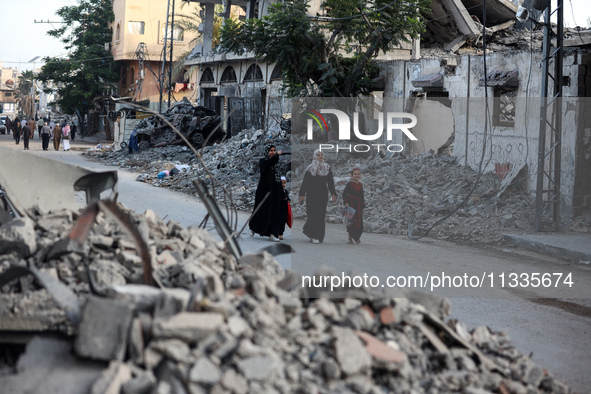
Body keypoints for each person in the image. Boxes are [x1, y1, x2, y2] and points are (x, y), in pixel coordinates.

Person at [298, 149, 337, 244]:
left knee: (321, 215)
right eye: (318, 155)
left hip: (323, 195)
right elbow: (305, 183)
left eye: (321, 155)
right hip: (312, 194)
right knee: (313, 215)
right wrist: (302, 194)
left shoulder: (327, 168)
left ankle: (318, 235)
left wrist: (333, 193)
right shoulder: (310, 168)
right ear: (315, 156)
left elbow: (330, 182)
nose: (320, 156)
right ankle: (312, 235)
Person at [248, 144, 284, 242]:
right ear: (267, 152)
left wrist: (282, 193)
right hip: (264, 190)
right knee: (260, 210)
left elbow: (279, 179)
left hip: (274, 191)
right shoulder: (263, 161)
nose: (273, 152)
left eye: (274, 150)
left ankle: (272, 234)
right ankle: (253, 228)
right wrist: (276, 156)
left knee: (274, 212)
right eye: (271, 150)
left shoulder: (277, 163)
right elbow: (268, 164)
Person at [343, 167, 365, 244]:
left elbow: (362, 196)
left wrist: (362, 207)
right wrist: (346, 202)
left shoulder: (360, 185)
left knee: (359, 222)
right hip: (351, 204)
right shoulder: (349, 184)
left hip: (358, 205)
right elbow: (344, 194)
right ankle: (350, 238)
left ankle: (356, 237)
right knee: (350, 222)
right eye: (355, 174)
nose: (357, 175)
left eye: (358, 174)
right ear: (352, 175)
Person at [278, 176, 291, 241]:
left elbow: (287, 197)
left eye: (284, 183)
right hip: (278, 209)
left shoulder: (285, 191)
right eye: (282, 183)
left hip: (284, 209)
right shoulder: (277, 191)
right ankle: (279, 233)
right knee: (278, 221)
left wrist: (288, 199)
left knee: (283, 222)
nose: (283, 185)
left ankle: (281, 233)